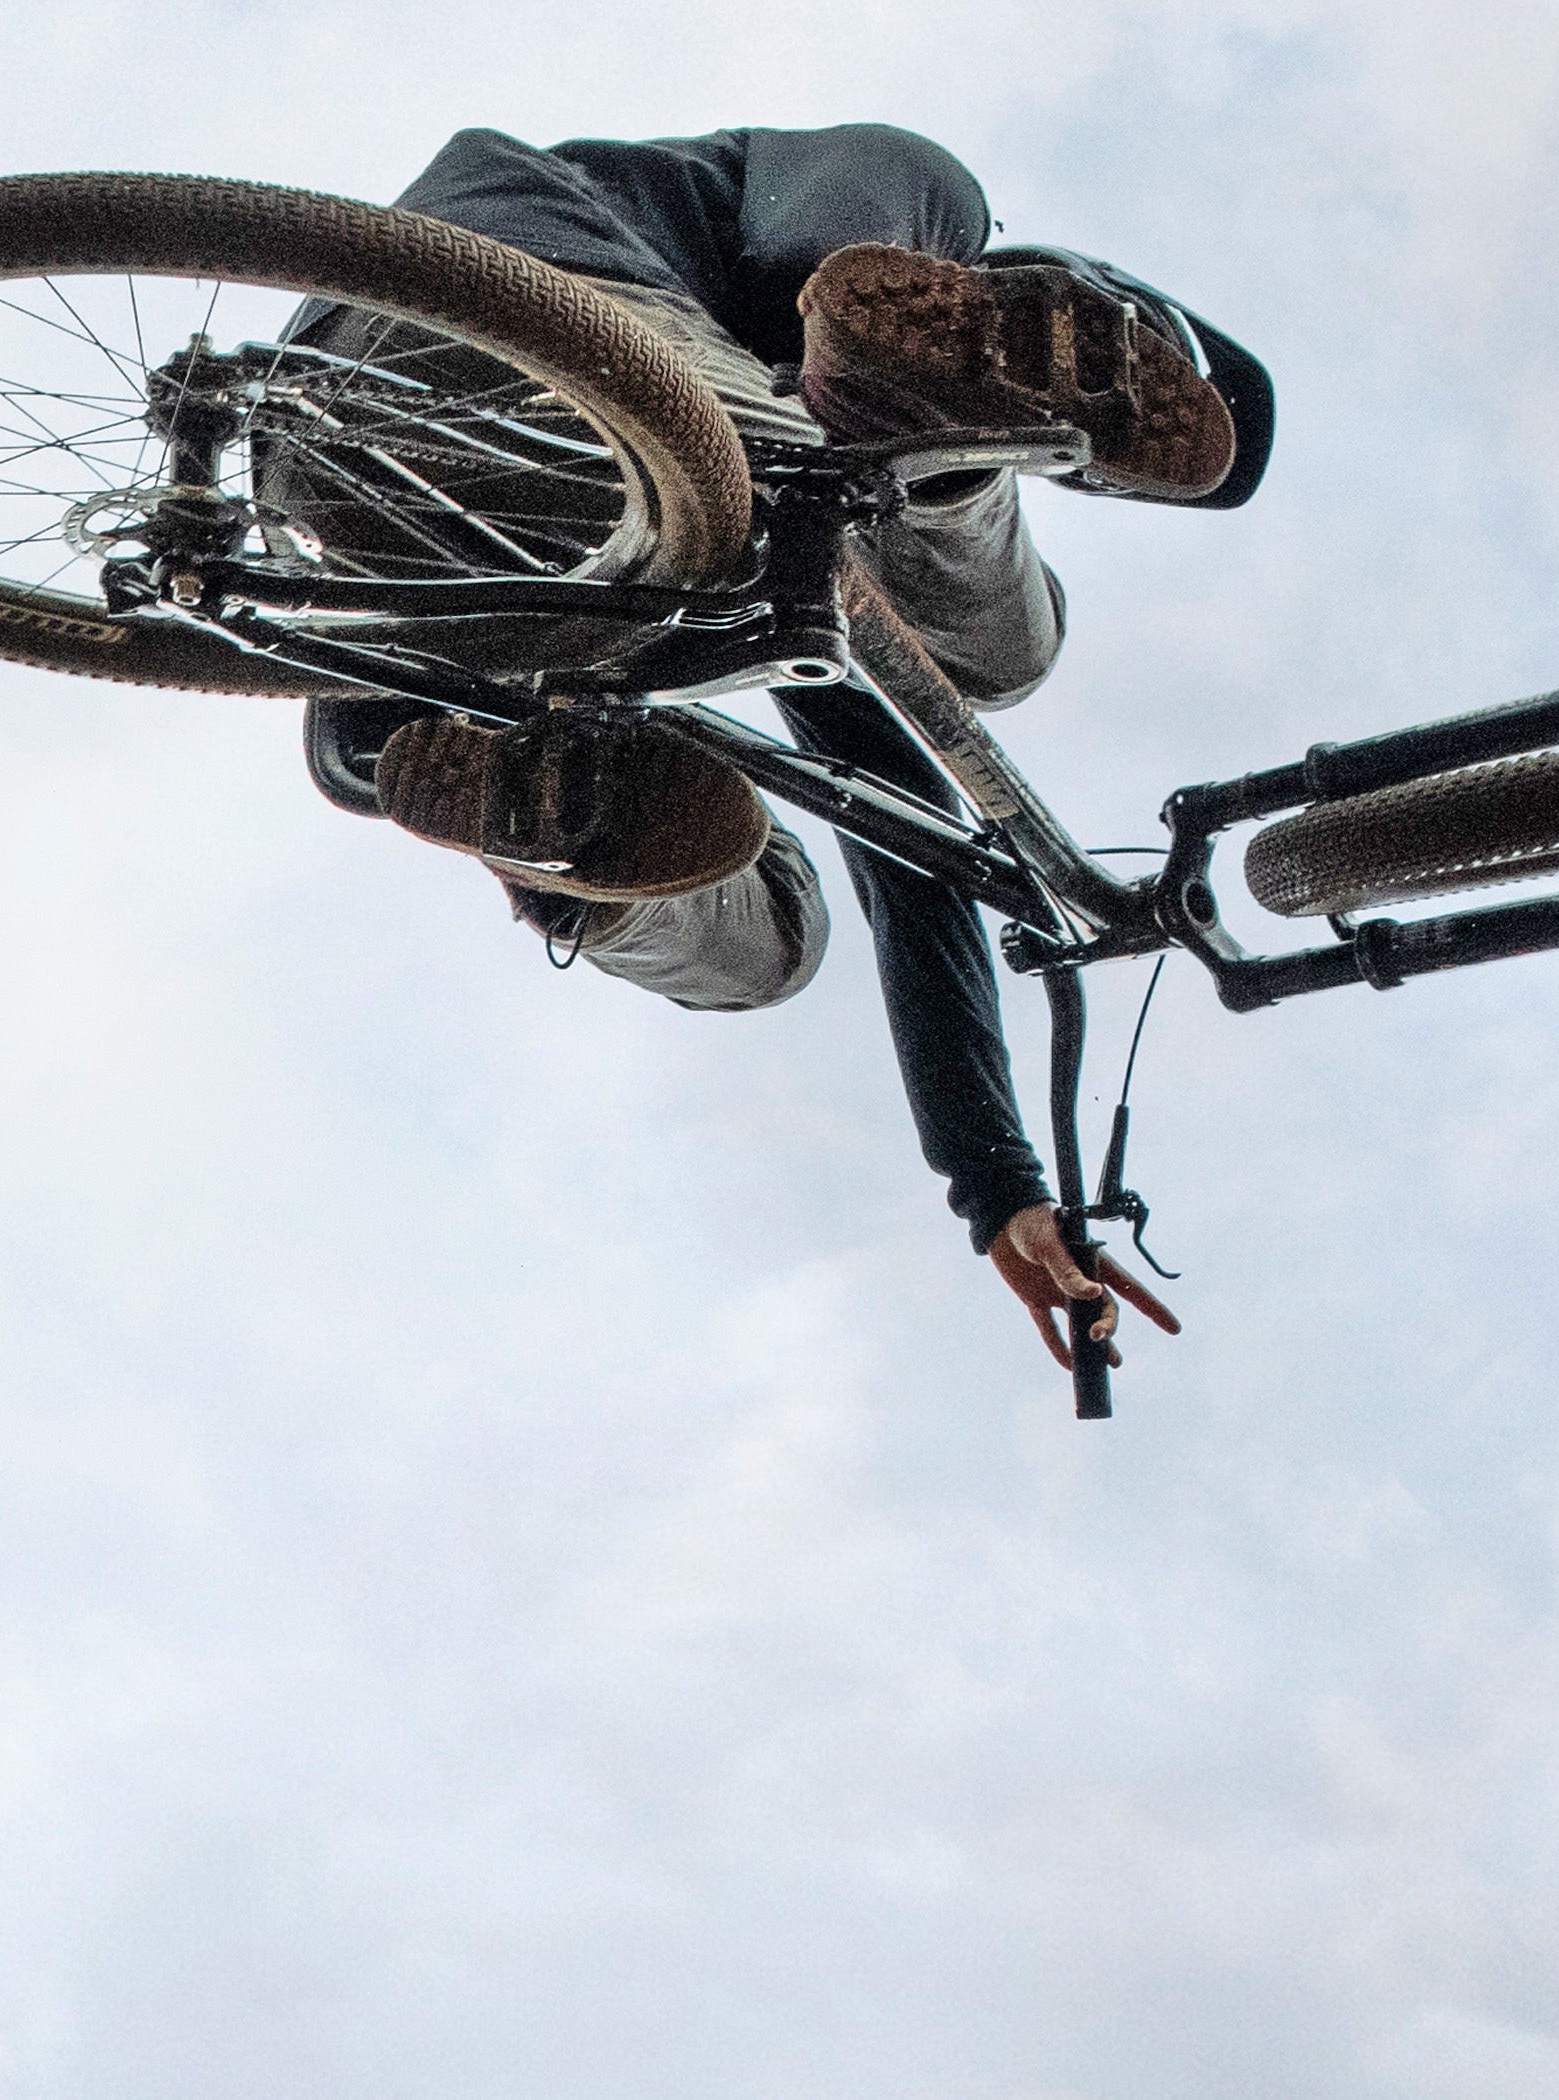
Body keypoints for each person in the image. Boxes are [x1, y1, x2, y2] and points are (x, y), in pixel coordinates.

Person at [314, 124, 1274, 1379]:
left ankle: (552, 810)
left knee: (773, 944)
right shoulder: (902, 195)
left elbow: (918, 853)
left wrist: (995, 1180)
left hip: (344, 465)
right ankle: (932, 456)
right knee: (1000, 658)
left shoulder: (784, 560)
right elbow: (827, 240)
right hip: (570, 339)